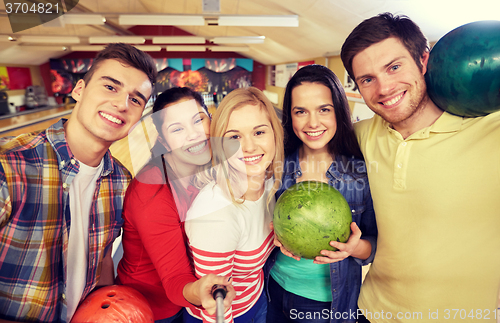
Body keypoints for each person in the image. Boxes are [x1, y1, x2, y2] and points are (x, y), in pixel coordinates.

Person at [340, 12, 500, 322]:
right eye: (367, 79)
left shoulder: (491, 131)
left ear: (423, 60)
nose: (384, 88)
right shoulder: (360, 137)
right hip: (372, 311)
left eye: (394, 67)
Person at [0, 43, 157, 323]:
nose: (122, 104)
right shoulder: (9, 166)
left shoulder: (120, 181)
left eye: (136, 99)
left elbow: (104, 259)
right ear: (79, 90)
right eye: (111, 87)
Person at [265, 64, 377, 323]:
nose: (312, 122)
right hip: (272, 291)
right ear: (290, 116)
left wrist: (354, 247)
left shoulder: (359, 174)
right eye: (300, 111)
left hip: (328, 305)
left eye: (324, 110)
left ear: (338, 111)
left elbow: (375, 245)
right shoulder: (276, 167)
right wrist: (273, 236)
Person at [116, 87, 234, 323]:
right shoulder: (151, 191)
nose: (194, 134)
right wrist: (200, 292)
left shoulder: (210, 170)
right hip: (153, 308)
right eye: (177, 129)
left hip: (187, 302)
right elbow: (174, 279)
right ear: (163, 140)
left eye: (198, 120)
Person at [184, 87, 284, 323]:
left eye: (259, 132)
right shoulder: (216, 212)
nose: (248, 147)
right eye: (234, 137)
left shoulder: (270, 185)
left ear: (275, 135)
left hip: (257, 299)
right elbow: (215, 304)